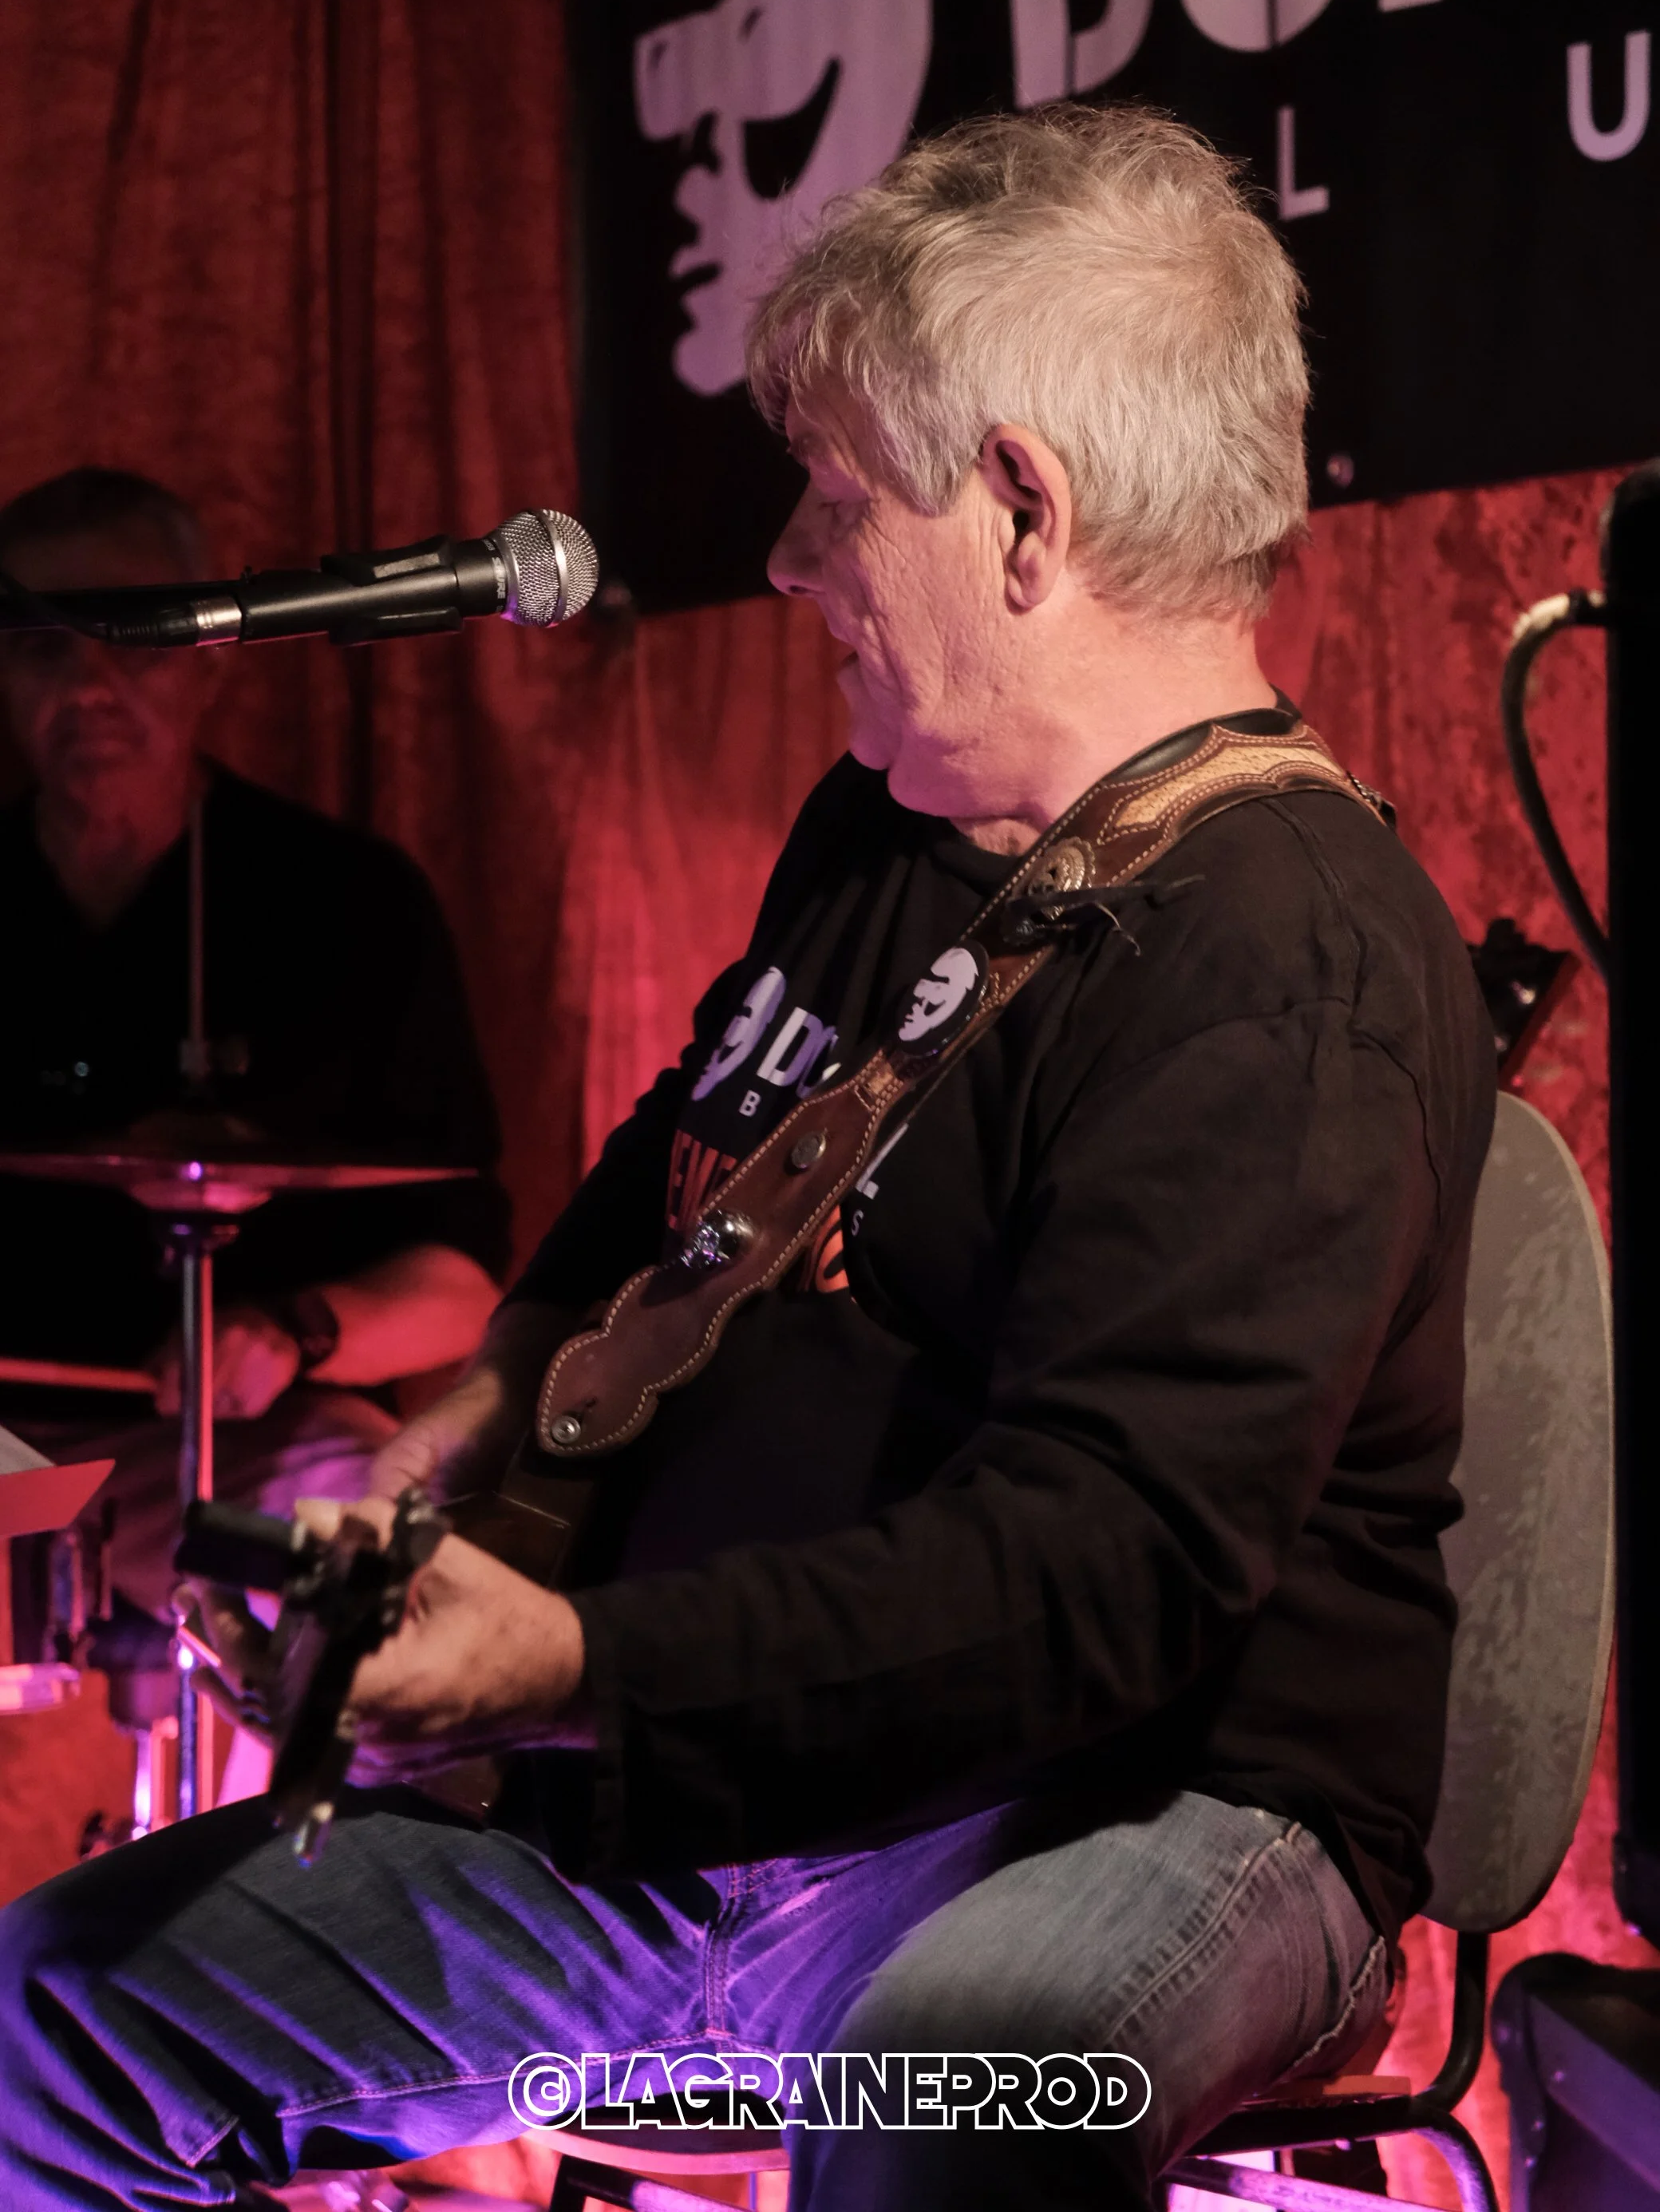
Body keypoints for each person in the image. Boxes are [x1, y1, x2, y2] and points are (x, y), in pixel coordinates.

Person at [0, 112, 1493, 2210]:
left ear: (1024, 514)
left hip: (1150, 1805)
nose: (791, 560)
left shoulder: (1282, 959)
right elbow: (672, 1183)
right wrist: (445, 1447)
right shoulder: (889, 822)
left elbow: (1103, 1584)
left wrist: (566, 1661)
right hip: (731, 1772)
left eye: (834, 494)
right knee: (47, 2024)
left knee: (948, 2105)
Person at [0, 469, 509, 1680]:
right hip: (10, 1438)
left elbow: (462, 1288)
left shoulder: (346, 903)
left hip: (256, 1444)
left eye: (135, 641)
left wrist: (292, 1330)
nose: (88, 684)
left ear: (212, 657)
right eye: (40, 647)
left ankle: (277, 1863)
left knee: (373, 1569)